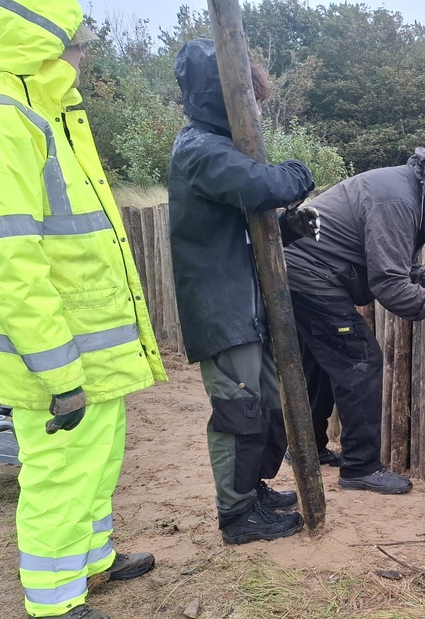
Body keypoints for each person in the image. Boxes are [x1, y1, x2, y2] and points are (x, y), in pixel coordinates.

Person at [0, 0, 168, 619]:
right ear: (43, 41)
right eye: (78, 39)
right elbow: (9, 261)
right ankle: (54, 596)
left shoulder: (50, 109)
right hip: (51, 351)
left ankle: (92, 560)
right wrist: (58, 370)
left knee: (98, 457)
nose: (86, 51)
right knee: (61, 467)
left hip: (87, 341)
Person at [169, 38, 320, 545]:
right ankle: (236, 516)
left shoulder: (216, 150)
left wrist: (286, 229)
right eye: (250, 99)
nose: (255, 111)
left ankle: (251, 490)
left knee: (267, 404)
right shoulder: (202, 150)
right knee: (239, 411)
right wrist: (300, 172)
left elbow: (238, 227)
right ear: (225, 95)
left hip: (242, 306)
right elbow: (263, 185)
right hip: (222, 309)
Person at [283, 147, 425, 494]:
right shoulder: (398, 200)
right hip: (309, 273)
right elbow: (390, 287)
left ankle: (308, 447)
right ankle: (360, 468)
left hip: (298, 267)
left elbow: (400, 267)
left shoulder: (410, 191)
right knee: (360, 361)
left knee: (322, 363)